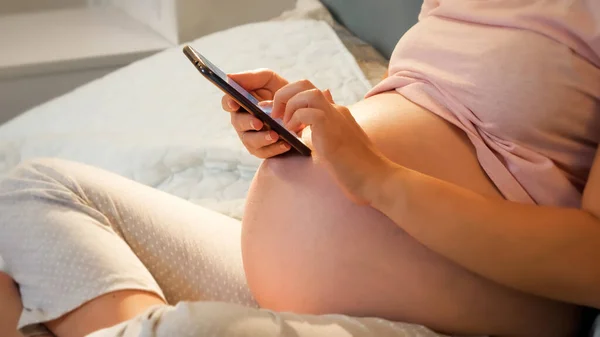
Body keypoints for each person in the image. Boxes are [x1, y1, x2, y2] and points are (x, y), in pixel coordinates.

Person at [1, 1, 599, 337]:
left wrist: (380, 180)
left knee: (187, 335)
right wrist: (317, 123)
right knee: (35, 191)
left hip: (457, 313)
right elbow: (435, 106)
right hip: (305, 280)